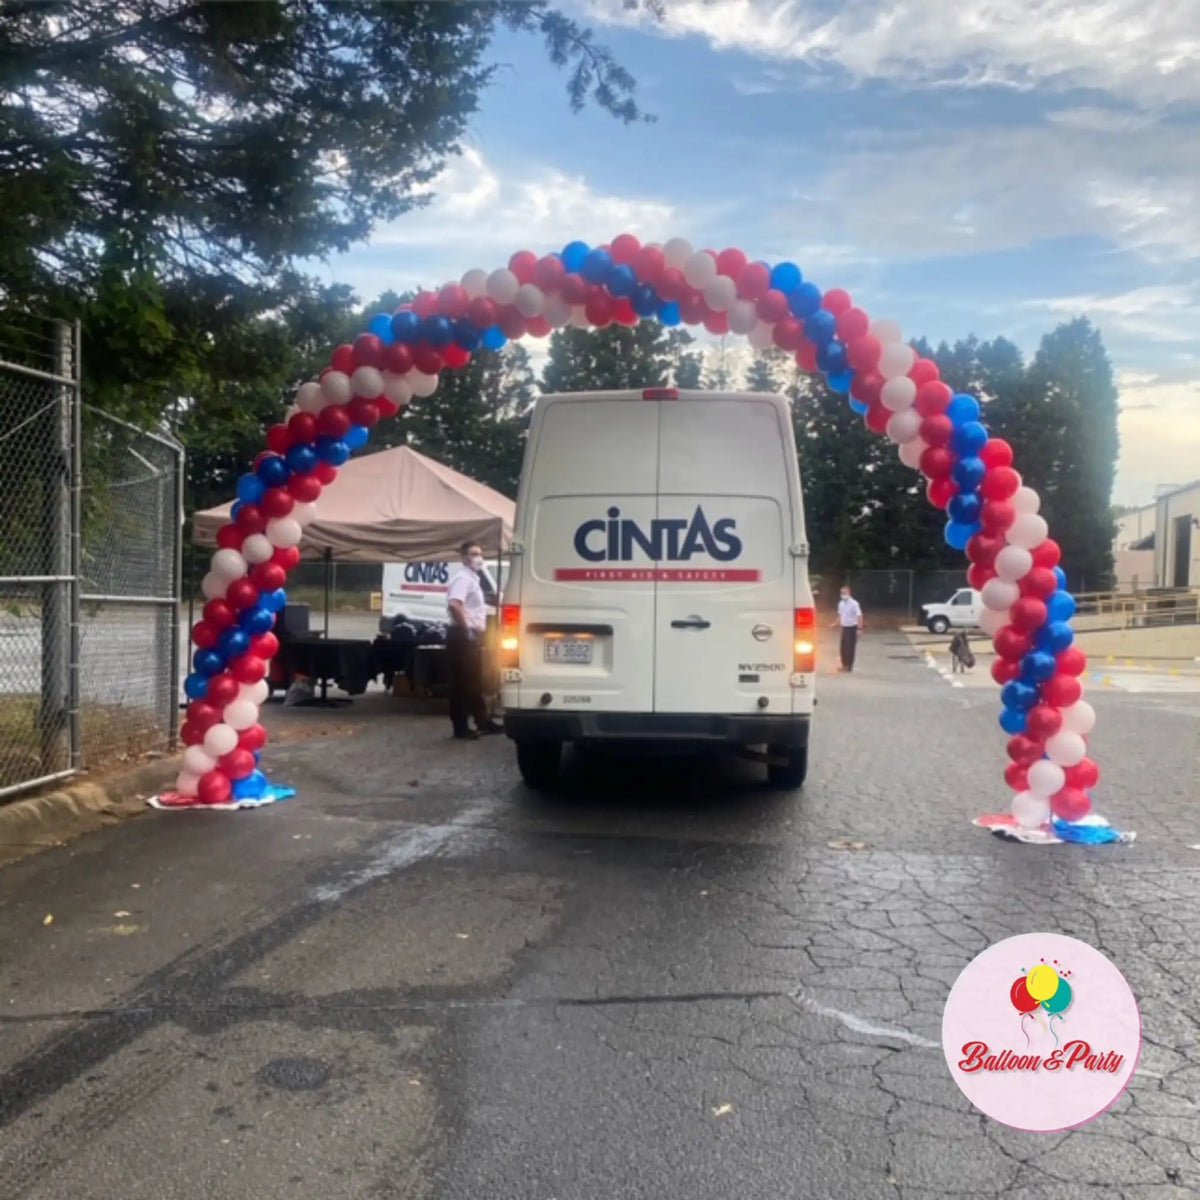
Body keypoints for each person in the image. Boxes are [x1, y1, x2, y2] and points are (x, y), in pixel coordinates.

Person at [445, 542, 503, 740]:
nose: (478, 557)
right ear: (463, 558)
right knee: (463, 683)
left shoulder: (473, 578)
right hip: (462, 636)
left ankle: (482, 720)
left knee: (475, 681)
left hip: (471, 635)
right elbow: (455, 605)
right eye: (473, 554)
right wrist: (467, 628)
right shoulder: (463, 579)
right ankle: (460, 727)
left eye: (480, 553)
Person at [830, 584, 864, 673]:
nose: (843, 595)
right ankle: (844, 665)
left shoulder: (854, 603)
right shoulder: (841, 604)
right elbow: (840, 615)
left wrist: (859, 629)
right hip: (844, 627)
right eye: (841, 593)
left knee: (850, 648)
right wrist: (835, 623)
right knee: (843, 647)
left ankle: (849, 666)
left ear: (849, 593)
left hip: (852, 627)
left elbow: (859, 616)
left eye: (844, 593)